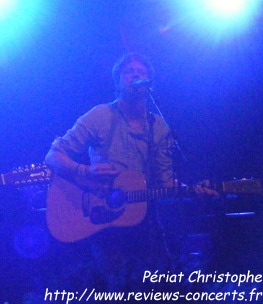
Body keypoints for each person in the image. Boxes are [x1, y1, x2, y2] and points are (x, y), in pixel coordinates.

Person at [45, 53, 216, 292]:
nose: (136, 76)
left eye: (141, 73)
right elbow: (53, 156)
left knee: (162, 289)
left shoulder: (159, 126)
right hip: (104, 221)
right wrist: (83, 170)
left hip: (145, 222)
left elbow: (165, 182)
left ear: (149, 85)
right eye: (129, 72)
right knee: (120, 290)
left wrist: (190, 190)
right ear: (118, 82)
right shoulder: (101, 115)